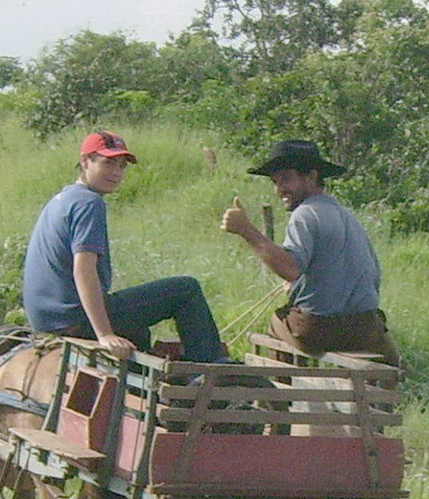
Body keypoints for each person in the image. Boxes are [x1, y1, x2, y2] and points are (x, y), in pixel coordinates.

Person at [23, 130, 225, 362]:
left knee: (139, 331)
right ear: (85, 161)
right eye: (108, 163)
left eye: (121, 166)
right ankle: (208, 369)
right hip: (72, 318)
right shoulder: (89, 202)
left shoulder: (62, 199)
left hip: (47, 319)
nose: (116, 173)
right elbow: (84, 270)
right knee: (186, 290)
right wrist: (105, 334)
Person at [220, 139, 400, 366]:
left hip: (318, 328)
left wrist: (246, 230)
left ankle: (278, 398)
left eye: (286, 179)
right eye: (275, 182)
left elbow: (291, 269)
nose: (279, 189)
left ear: (312, 177)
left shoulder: (304, 214)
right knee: (388, 354)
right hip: (365, 328)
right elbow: (371, 277)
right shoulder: (347, 216)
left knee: (278, 323)